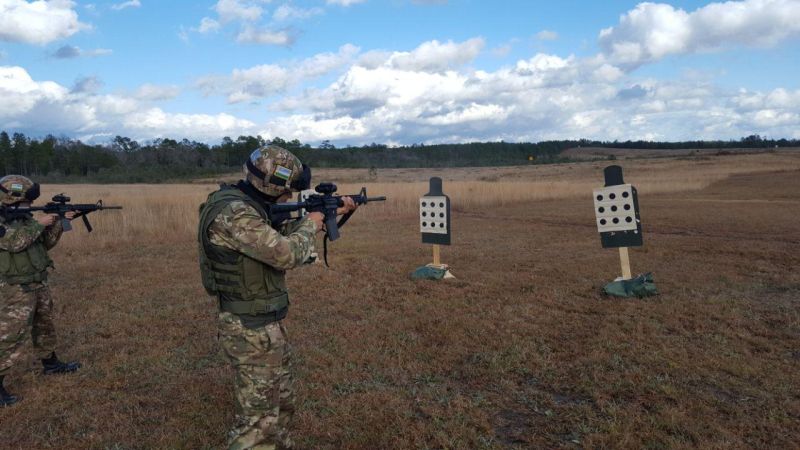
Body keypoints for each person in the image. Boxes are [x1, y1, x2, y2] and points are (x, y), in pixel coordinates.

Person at [198, 145, 356, 449]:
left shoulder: (251, 207)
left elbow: (282, 241)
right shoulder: (234, 212)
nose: (288, 198)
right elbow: (285, 253)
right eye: (287, 192)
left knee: (282, 405)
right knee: (257, 425)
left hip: (265, 322)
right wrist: (312, 222)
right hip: (249, 327)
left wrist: (331, 213)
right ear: (271, 185)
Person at [0, 175, 82, 408]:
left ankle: (51, 364)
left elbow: (44, 244)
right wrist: (40, 223)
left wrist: (58, 223)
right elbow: (14, 243)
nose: (28, 205)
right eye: (25, 201)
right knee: (10, 335)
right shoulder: (3, 222)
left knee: (45, 326)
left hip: (37, 282)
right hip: (15, 287)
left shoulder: (25, 219)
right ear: (11, 198)